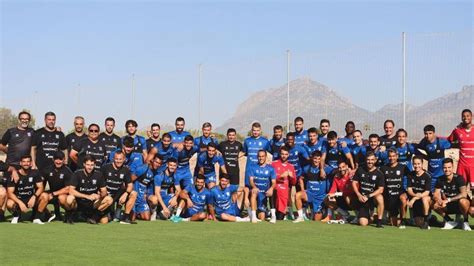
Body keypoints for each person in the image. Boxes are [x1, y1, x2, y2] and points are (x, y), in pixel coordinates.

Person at [67, 155, 112, 224]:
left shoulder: (99, 175)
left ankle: (93, 218)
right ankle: (71, 216)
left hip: (92, 203)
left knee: (109, 200)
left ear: (95, 165)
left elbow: (104, 191)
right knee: (70, 198)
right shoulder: (77, 174)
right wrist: (87, 196)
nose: (90, 167)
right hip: (79, 202)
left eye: (92, 165)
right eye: (88, 165)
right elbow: (71, 190)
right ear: (84, 164)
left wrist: (99, 196)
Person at [432, 158, 471, 231]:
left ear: (453, 167)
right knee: (432, 202)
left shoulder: (459, 178)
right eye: (445, 167)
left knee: (463, 201)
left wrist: (448, 200)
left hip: (459, 206)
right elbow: (436, 194)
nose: (447, 170)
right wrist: (439, 201)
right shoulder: (440, 179)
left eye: (449, 167)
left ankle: (465, 222)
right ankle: (449, 221)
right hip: (447, 206)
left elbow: (464, 194)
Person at [293, 151, 332, 223]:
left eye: (318, 159)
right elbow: (301, 178)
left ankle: (324, 212)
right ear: (312, 158)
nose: (316, 160)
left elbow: (335, 172)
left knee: (316, 220)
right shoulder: (306, 168)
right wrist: (303, 189)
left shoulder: (326, 168)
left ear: (321, 160)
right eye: (315, 158)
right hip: (309, 194)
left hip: (320, 198)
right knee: (297, 195)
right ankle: (300, 217)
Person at [101, 151, 137, 224]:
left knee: (134, 193)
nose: (118, 161)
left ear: (124, 159)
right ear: (113, 159)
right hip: (106, 196)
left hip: (118, 195)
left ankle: (125, 218)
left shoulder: (126, 170)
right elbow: (99, 183)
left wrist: (126, 193)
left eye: (120, 159)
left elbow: (130, 185)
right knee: (105, 221)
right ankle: (112, 213)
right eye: (116, 159)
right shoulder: (105, 168)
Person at [6, 155, 44, 224]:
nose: (26, 163)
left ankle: (36, 217)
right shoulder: (15, 175)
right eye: (24, 162)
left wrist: (34, 197)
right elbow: (10, 192)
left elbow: (41, 187)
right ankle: (16, 216)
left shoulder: (35, 173)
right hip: (19, 200)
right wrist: (20, 203)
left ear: (31, 163)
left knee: (45, 196)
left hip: (31, 199)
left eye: (28, 161)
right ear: (20, 163)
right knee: (9, 203)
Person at [352, 152, 385, 227]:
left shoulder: (379, 173)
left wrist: (369, 196)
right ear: (365, 160)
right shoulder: (360, 170)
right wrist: (359, 195)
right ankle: (372, 216)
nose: (370, 162)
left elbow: (381, 189)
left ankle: (379, 222)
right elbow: (354, 183)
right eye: (368, 160)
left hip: (372, 198)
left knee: (380, 197)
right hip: (362, 199)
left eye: (372, 160)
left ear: (375, 160)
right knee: (363, 223)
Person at [38, 151, 73, 222]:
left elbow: (68, 189)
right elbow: (41, 184)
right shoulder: (47, 169)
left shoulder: (67, 171)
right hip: (51, 193)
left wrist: (53, 194)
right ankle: (45, 215)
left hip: (63, 194)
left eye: (60, 159)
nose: (58, 162)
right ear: (53, 159)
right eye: (56, 159)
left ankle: (69, 215)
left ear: (64, 160)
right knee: (38, 197)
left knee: (62, 198)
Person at [416, 125, 451, 192]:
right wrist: (425, 157)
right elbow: (417, 147)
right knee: (431, 195)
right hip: (431, 175)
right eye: (426, 134)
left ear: (434, 133)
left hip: (442, 176)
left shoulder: (441, 142)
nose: (428, 135)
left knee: (442, 195)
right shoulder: (424, 142)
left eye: (430, 133)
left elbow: (453, 144)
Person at [380, 148, 409, 228]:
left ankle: (403, 220)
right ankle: (377, 217)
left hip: (400, 195)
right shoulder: (383, 168)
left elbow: (412, 177)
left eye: (393, 156)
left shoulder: (403, 167)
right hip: (389, 197)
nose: (391, 158)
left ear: (397, 156)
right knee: (394, 223)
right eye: (390, 156)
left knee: (403, 199)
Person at [448, 109, 473, 191]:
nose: (466, 118)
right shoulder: (457, 130)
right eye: (463, 116)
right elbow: (449, 140)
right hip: (462, 165)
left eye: (468, 116)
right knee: (461, 189)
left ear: (471, 117)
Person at [132, 154, 162, 221]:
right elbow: (130, 180)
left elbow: (149, 186)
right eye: (156, 162)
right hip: (133, 197)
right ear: (152, 160)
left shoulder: (155, 173)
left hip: (142, 199)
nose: (157, 165)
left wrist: (147, 194)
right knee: (132, 218)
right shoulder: (143, 169)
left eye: (159, 163)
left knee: (147, 218)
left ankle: (138, 213)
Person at [249, 150, 276, 223]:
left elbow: (274, 182)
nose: (261, 158)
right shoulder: (252, 167)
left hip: (265, 194)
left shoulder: (271, 168)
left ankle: (273, 216)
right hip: (257, 192)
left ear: (266, 157)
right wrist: (254, 187)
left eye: (262, 156)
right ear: (257, 157)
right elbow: (251, 180)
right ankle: (253, 216)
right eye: (259, 156)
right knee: (253, 192)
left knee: (262, 217)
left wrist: (271, 188)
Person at [406, 156, 432, 229]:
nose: (417, 166)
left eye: (418, 164)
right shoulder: (410, 175)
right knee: (418, 223)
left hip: (423, 200)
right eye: (415, 164)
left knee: (425, 198)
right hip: (415, 203)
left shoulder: (427, 175)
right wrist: (415, 196)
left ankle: (427, 220)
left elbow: (427, 192)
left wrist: (414, 198)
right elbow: (409, 190)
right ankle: (432, 219)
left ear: (422, 164)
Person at [271, 146, 296, 220]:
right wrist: (280, 176)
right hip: (275, 191)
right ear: (280, 154)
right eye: (282, 154)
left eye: (286, 154)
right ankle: (271, 213)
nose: (284, 156)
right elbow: (270, 178)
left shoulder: (291, 166)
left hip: (284, 194)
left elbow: (294, 183)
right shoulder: (274, 164)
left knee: (280, 217)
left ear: (288, 155)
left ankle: (284, 214)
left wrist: (292, 177)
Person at [243, 122, 271, 188]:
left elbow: (271, 152)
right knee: (248, 189)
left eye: (257, 130)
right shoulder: (247, 141)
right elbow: (244, 152)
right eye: (254, 130)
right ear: (251, 130)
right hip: (249, 169)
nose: (256, 132)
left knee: (261, 190)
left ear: (260, 130)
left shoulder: (265, 141)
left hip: (261, 169)